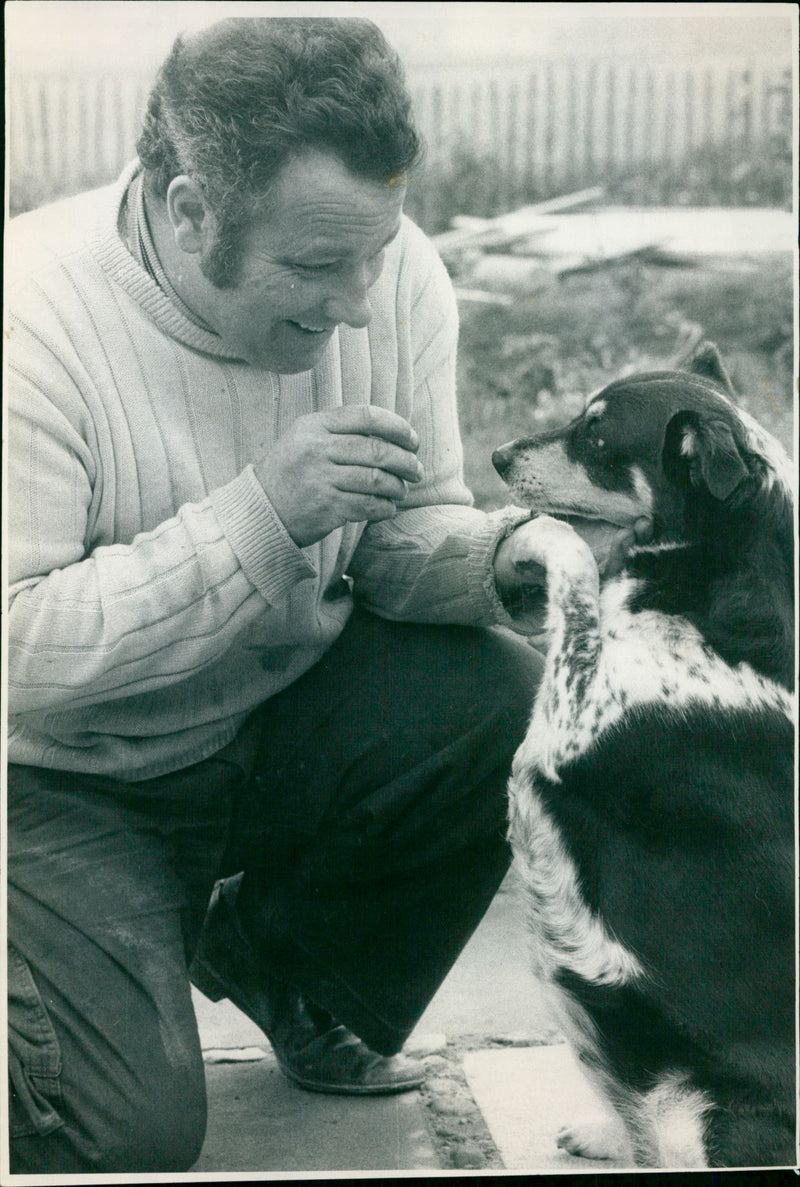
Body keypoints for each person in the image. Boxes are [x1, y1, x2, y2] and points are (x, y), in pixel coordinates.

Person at [5, 17, 630, 1173]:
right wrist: (262, 513)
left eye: (372, 253)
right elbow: (14, 653)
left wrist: (504, 558)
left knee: (502, 697)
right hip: (65, 777)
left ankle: (283, 959)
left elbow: (400, 531)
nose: (355, 301)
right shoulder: (30, 317)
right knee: (119, 1134)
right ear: (189, 209)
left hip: (271, 726)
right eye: (310, 267)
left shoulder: (389, 274)